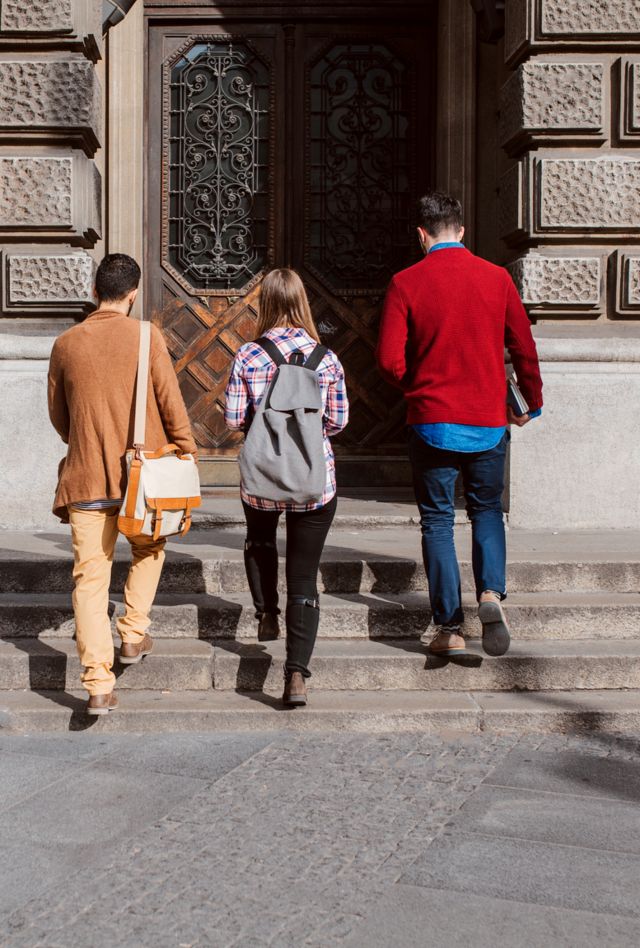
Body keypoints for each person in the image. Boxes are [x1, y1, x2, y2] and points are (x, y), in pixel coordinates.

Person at [376, 191, 543, 658]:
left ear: (421, 234)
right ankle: (490, 593)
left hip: (431, 420)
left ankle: (449, 625)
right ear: (462, 231)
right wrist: (532, 400)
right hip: (488, 420)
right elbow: (524, 348)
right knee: (487, 510)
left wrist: (418, 385)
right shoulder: (496, 279)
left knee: (437, 520)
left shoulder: (406, 282)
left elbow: (388, 359)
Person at [48, 253, 196, 715]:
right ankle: (133, 633)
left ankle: (96, 684)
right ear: (133, 294)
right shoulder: (147, 337)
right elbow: (170, 401)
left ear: (94, 292)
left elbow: (59, 415)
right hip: (144, 479)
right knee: (150, 549)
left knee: (90, 581)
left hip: (87, 476)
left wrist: (89, 442)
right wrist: (185, 448)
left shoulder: (66, 343)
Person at [224, 268, 349, 706]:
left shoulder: (248, 355)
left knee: (259, 539)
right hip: (315, 481)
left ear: (266, 304)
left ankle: (266, 613)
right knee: (304, 577)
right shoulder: (326, 359)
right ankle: (296, 675)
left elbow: (234, 418)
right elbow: (337, 422)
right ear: (302, 304)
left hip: (261, 477)